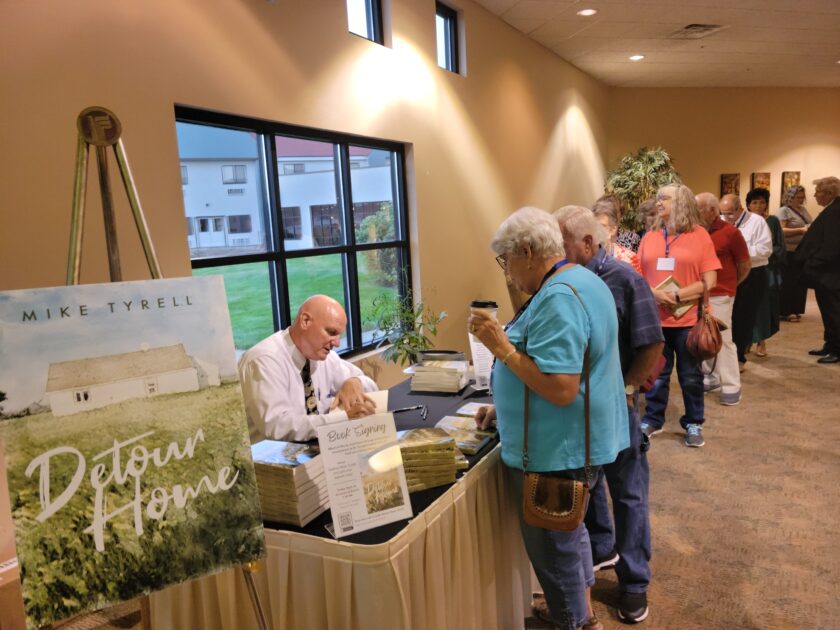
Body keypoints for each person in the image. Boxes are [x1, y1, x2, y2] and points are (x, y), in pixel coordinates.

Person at [469, 206, 627, 630]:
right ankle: (580, 612)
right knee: (570, 538)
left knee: (554, 551)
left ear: (527, 250)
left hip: (558, 451)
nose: (508, 273)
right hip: (575, 440)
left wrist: (501, 349)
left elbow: (561, 388)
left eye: (507, 261)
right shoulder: (580, 278)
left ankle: (571, 620)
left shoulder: (558, 297)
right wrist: (505, 409)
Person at [555, 205, 664, 624]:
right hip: (577, 409)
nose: (554, 251)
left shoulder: (624, 279)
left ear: (587, 242)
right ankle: (603, 552)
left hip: (619, 407)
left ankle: (634, 581)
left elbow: (651, 343)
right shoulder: (563, 282)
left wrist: (627, 389)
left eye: (560, 242)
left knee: (629, 493)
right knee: (590, 488)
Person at [637, 184, 720, 447]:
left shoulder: (700, 236)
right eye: (658, 197)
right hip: (654, 318)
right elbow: (637, 277)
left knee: (690, 375)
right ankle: (653, 419)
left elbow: (710, 280)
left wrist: (676, 296)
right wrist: (654, 294)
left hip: (687, 320)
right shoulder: (649, 236)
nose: (658, 202)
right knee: (656, 374)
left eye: (665, 198)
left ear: (681, 203)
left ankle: (694, 422)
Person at [239, 294, 377, 442]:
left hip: (312, 450)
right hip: (267, 459)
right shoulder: (264, 361)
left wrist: (354, 382)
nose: (337, 343)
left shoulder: (323, 356)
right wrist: (341, 419)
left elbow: (372, 387)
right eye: (331, 332)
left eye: (339, 335)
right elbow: (277, 427)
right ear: (305, 321)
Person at [695, 193, 750, 406]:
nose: (695, 212)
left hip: (721, 294)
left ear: (711, 210)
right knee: (703, 337)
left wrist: (730, 287)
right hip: (698, 292)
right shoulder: (695, 232)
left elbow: (745, 265)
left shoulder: (730, 233)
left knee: (723, 339)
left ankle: (731, 385)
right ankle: (711, 377)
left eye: (699, 208)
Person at [720, 194, 772, 372]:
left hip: (753, 273)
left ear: (740, 208)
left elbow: (765, 250)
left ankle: (739, 357)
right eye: (723, 213)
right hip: (728, 273)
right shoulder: (722, 221)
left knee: (744, 317)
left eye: (730, 213)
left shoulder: (757, 222)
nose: (726, 217)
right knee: (728, 316)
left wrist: (738, 249)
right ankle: (725, 355)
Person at [795, 177, 840, 364]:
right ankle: (830, 345)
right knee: (829, 312)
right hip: (827, 273)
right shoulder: (832, 209)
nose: (814, 195)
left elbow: (831, 245)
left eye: (818, 192)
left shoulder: (835, 211)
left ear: (829, 193)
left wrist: (813, 263)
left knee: (834, 312)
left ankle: (837, 349)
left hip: (830, 274)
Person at [747, 188, 785, 357]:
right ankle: (746, 340)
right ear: (748, 204)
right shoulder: (745, 222)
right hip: (747, 269)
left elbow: (779, 246)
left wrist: (764, 253)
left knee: (763, 307)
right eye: (754, 202)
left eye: (762, 202)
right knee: (747, 307)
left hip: (768, 270)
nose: (758, 205)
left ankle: (761, 341)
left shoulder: (773, 221)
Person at [776, 185, 812, 321]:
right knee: (788, 282)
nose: (801, 200)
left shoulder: (803, 210)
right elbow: (781, 231)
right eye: (798, 197)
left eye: (803, 197)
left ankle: (796, 309)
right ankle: (785, 311)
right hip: (788, 252)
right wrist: (802, 230)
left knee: (799, 282)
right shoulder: (783, 211)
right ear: (790, 197)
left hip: (801, 252)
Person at [592, 199, 643, 274]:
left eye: (601, 226)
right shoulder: (586, 259)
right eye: (593, 226)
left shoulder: (628, 259)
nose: (596, 230)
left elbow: (638, 285)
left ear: (613, 229)